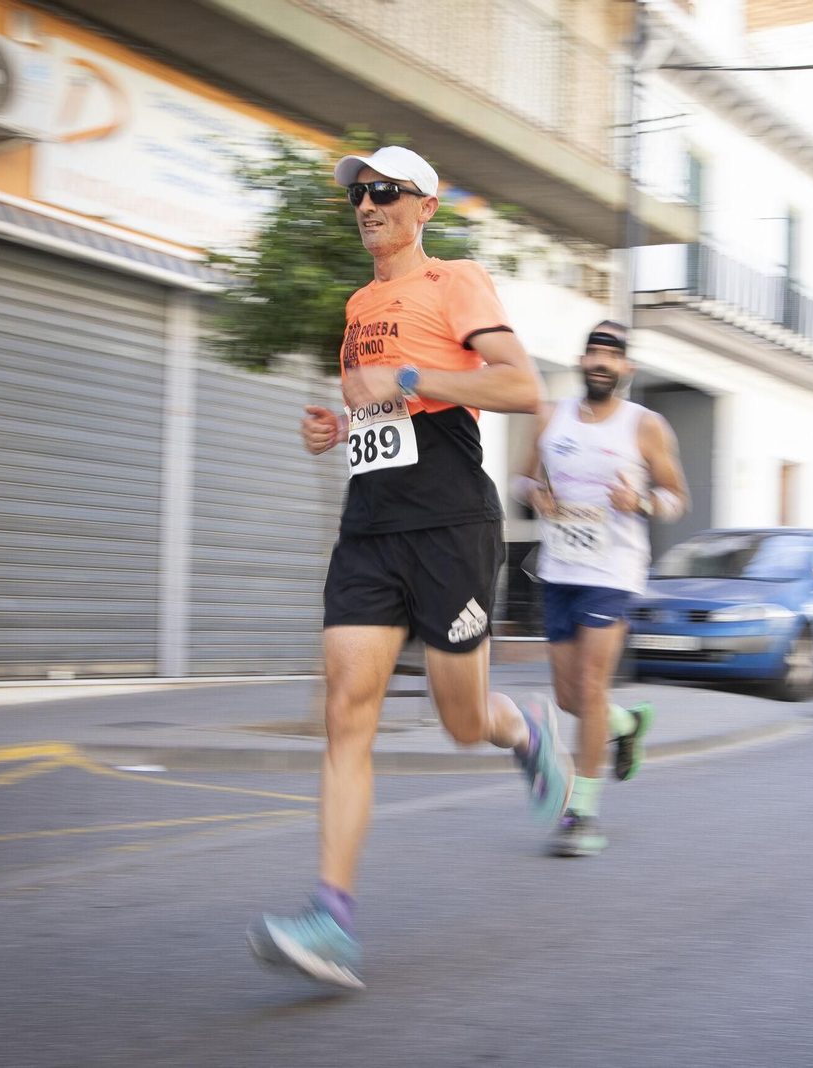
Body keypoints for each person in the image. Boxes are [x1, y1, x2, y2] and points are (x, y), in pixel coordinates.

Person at [247, 146, 571, 988]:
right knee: (346, 712)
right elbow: (379, 412)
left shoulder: (455, 282)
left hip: (449, 525)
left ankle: (525, 729)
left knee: (463, 722)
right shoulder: (358, 303)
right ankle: (332, 920)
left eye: (386, 191)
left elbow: (521, 386)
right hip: (371, 527)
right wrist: (336, 430)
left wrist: (414, 374)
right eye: (359, 193)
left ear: (424, 206)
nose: (367, 204)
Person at [512, 321, 689, 857]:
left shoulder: (646, 426)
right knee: (571, 698)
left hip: (613, 573)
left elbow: (677, 496)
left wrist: (642, 503)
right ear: (583, 361)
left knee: (589, 686)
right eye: (593, 352)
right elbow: (520, 481)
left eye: (611, 355)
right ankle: (625, 723)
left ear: (625, 368)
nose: (601, 362)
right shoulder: (552, 416)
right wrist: (535, 495)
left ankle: (581, 812)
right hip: (561, 567)